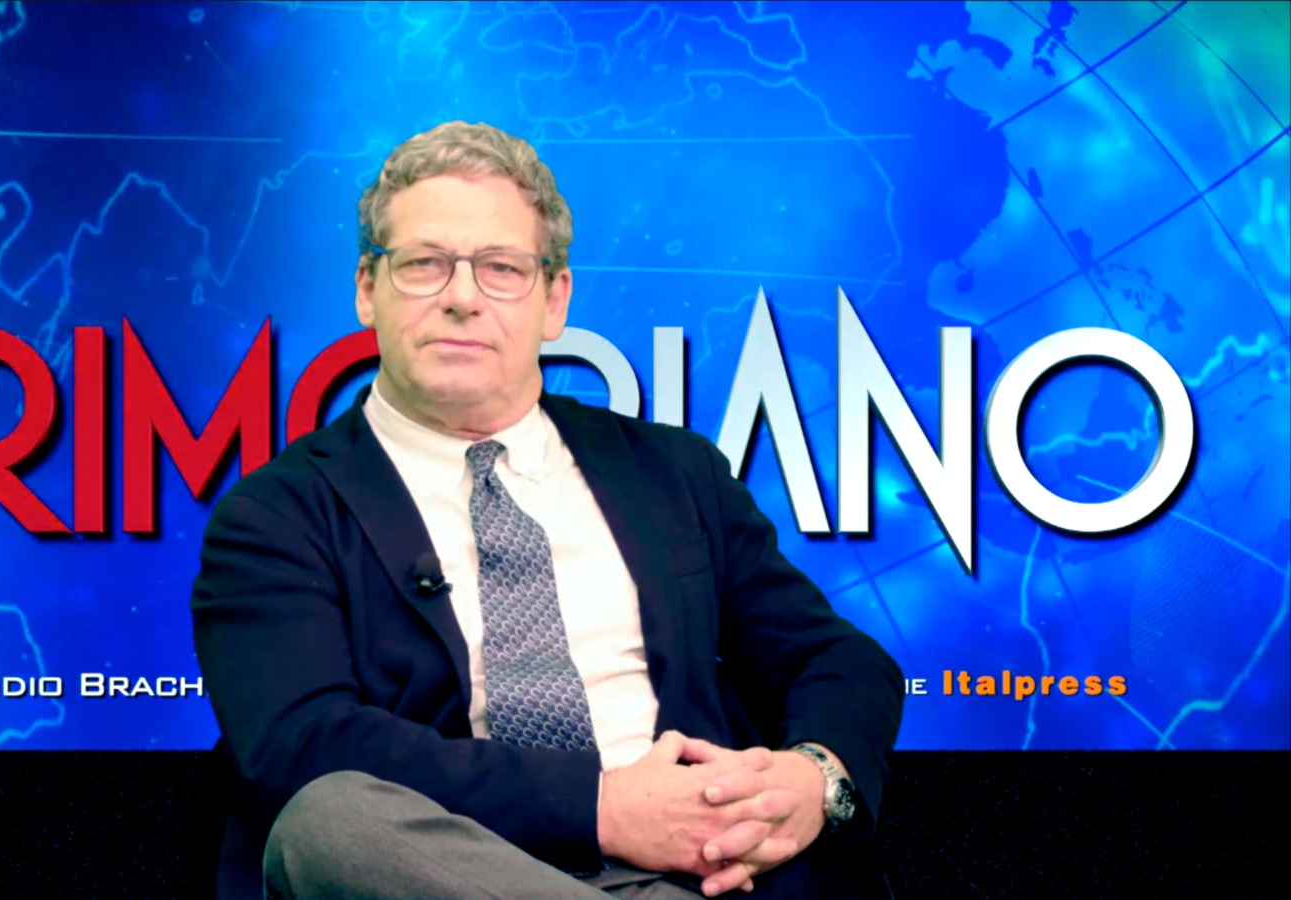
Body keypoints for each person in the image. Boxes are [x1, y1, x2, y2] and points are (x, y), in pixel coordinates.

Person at [190, 120, 904, 899]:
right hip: (450, 877)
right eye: (424, 265)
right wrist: (602, 809)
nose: (462, 298)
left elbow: (838, 659)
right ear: (368, 288)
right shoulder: (274, 516)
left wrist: (814, 779)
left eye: (501, 268)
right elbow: (300, 746)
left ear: (555, 298)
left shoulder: (673, 472)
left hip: (700, 876)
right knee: (331, 821)